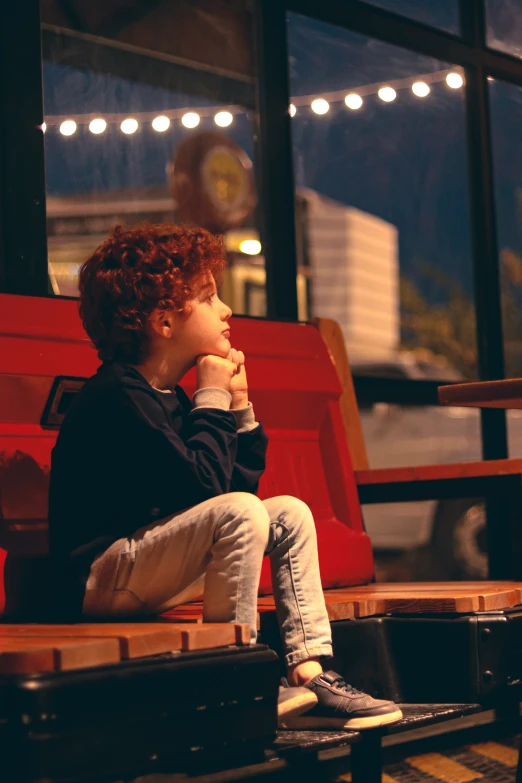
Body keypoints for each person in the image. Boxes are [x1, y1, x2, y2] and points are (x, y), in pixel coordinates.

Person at [48, 223, 403, 730]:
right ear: (165, 322)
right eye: (209, 297)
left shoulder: (170, 395)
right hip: (99, 578)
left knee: (288, 514)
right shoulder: (118, 396)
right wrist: (214, 397)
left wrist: (239, 407)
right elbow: (210, 493)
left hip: (144, 567)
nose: (226, 310)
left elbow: (234, 492)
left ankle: (308, 672)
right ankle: (236, 675)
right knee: (240, 511)